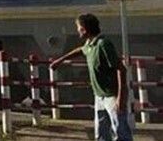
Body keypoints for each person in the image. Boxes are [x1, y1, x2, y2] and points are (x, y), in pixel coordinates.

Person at [50, 13, 133, 141]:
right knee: (101, 132)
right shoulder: (90, 44)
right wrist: (61, 60)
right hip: (99, 96)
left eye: (78, 28)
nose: (77, 32)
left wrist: (120, 98)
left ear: (84, 29)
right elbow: (80, 50)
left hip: (112, 95)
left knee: (120, 131)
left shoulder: (103, 44)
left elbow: (121, 69)